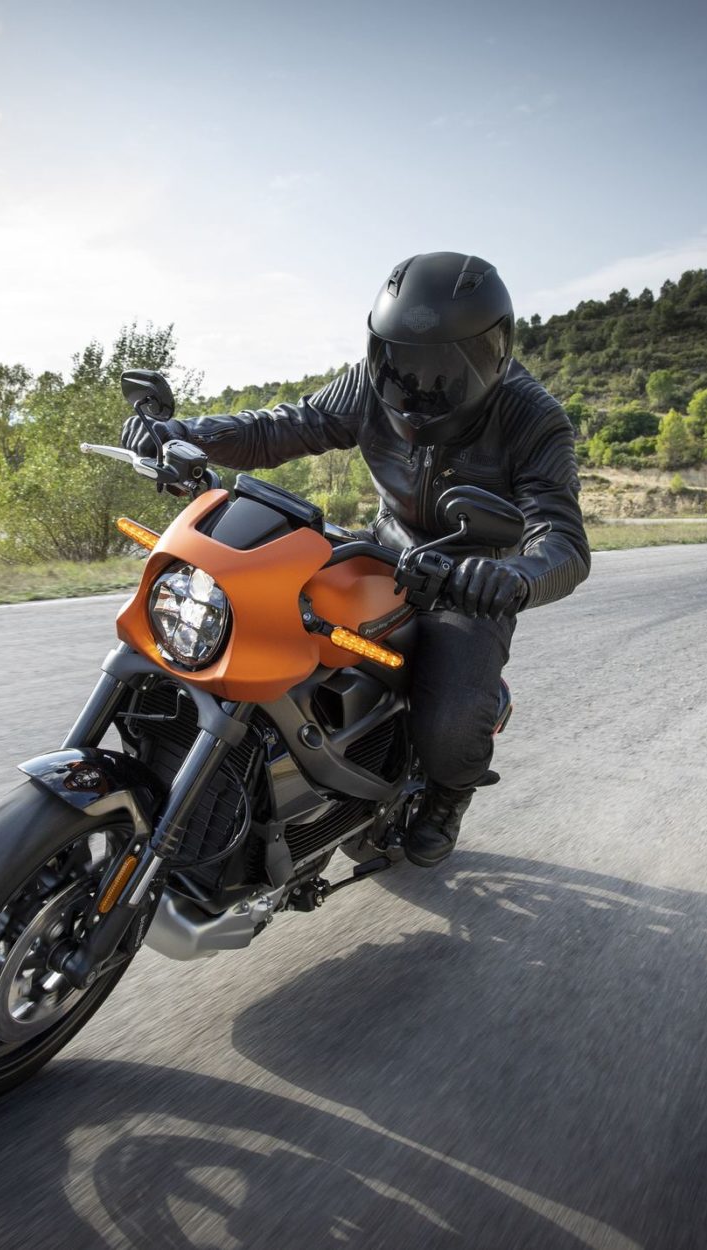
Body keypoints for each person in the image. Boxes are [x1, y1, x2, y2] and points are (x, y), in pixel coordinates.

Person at [123, 251, 590, 867]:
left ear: (492, 353)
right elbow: (282, 427)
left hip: (470, 574)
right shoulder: (371, 384)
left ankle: (448, 795)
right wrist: (186, 433)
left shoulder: (532, 418)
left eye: (442, 369)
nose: (416, 386)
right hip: (384, 547)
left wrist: (512, 576)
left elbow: (562, 539)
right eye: (399, 362)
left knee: (450, 723)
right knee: (265, 623)